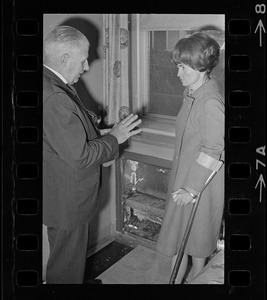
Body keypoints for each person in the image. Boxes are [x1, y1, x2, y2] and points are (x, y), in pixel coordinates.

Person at [43, 25, 142, 284]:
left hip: (61, 194)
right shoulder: (54, 96)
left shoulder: (50, 83)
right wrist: (115, 137)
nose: (87, 67)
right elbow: (81, 155)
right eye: (83, 60)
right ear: (64, 59)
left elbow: (65, 137)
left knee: (69, 260)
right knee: (65, 267)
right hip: (67, 200)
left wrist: (104, 132)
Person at [155, 32, 224, 284]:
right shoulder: (193, 93)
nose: (178, 74)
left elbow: (212, 150)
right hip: (187, 178)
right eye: (178, 67)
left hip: (200, 185)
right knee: (186, 238)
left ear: (201, 66)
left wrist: (190, 189)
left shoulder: (210, 102)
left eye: (183, 67)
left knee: (191, 240)